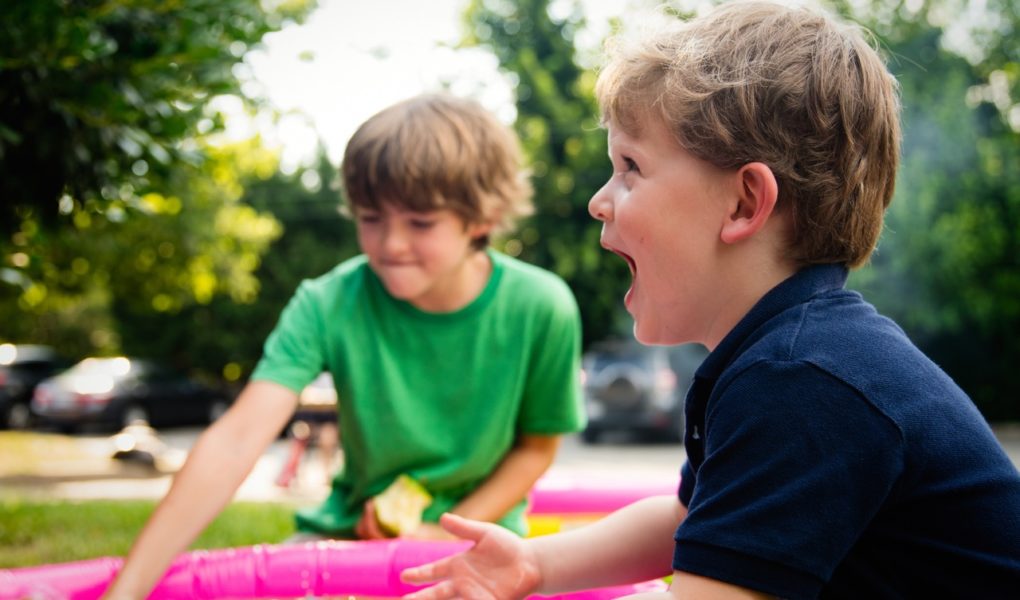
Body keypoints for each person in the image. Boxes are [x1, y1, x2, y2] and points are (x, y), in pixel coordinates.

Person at [399, 2, 1020, 598]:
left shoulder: (803, 381)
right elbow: (686, 520)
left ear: (744, 203)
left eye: (630, 166)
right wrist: (533, 564)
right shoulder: (789, 356)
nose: (598, 200)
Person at [101, 92, 586, 599]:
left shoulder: (541, 306)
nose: (390, 244)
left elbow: (535, 449)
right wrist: (125, 593)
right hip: (347, 537)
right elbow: (237, 439)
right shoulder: (327, 302)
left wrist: (444, 531)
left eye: (420, 222)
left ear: (482, 218)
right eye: (371, 218)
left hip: (483, 545)